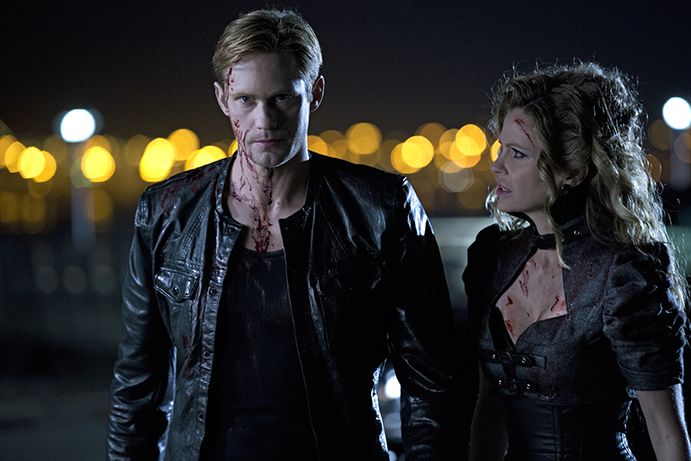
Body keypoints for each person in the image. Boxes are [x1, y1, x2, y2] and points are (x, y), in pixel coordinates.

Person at [106, 8, 458, 461]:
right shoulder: (166, 214)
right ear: (222, 99)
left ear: (315, 92)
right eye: (245, 100)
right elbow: (137, 389)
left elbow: (432, 383)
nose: (265, 121)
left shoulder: (381, 208)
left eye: (282, 98)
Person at [463, 61, 690, 461]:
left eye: (517, 153)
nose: (497, 164)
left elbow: (667, 437)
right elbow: (487, 412)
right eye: (500, 148)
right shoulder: (493, 257)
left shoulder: (623, 271)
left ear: (572, 171)